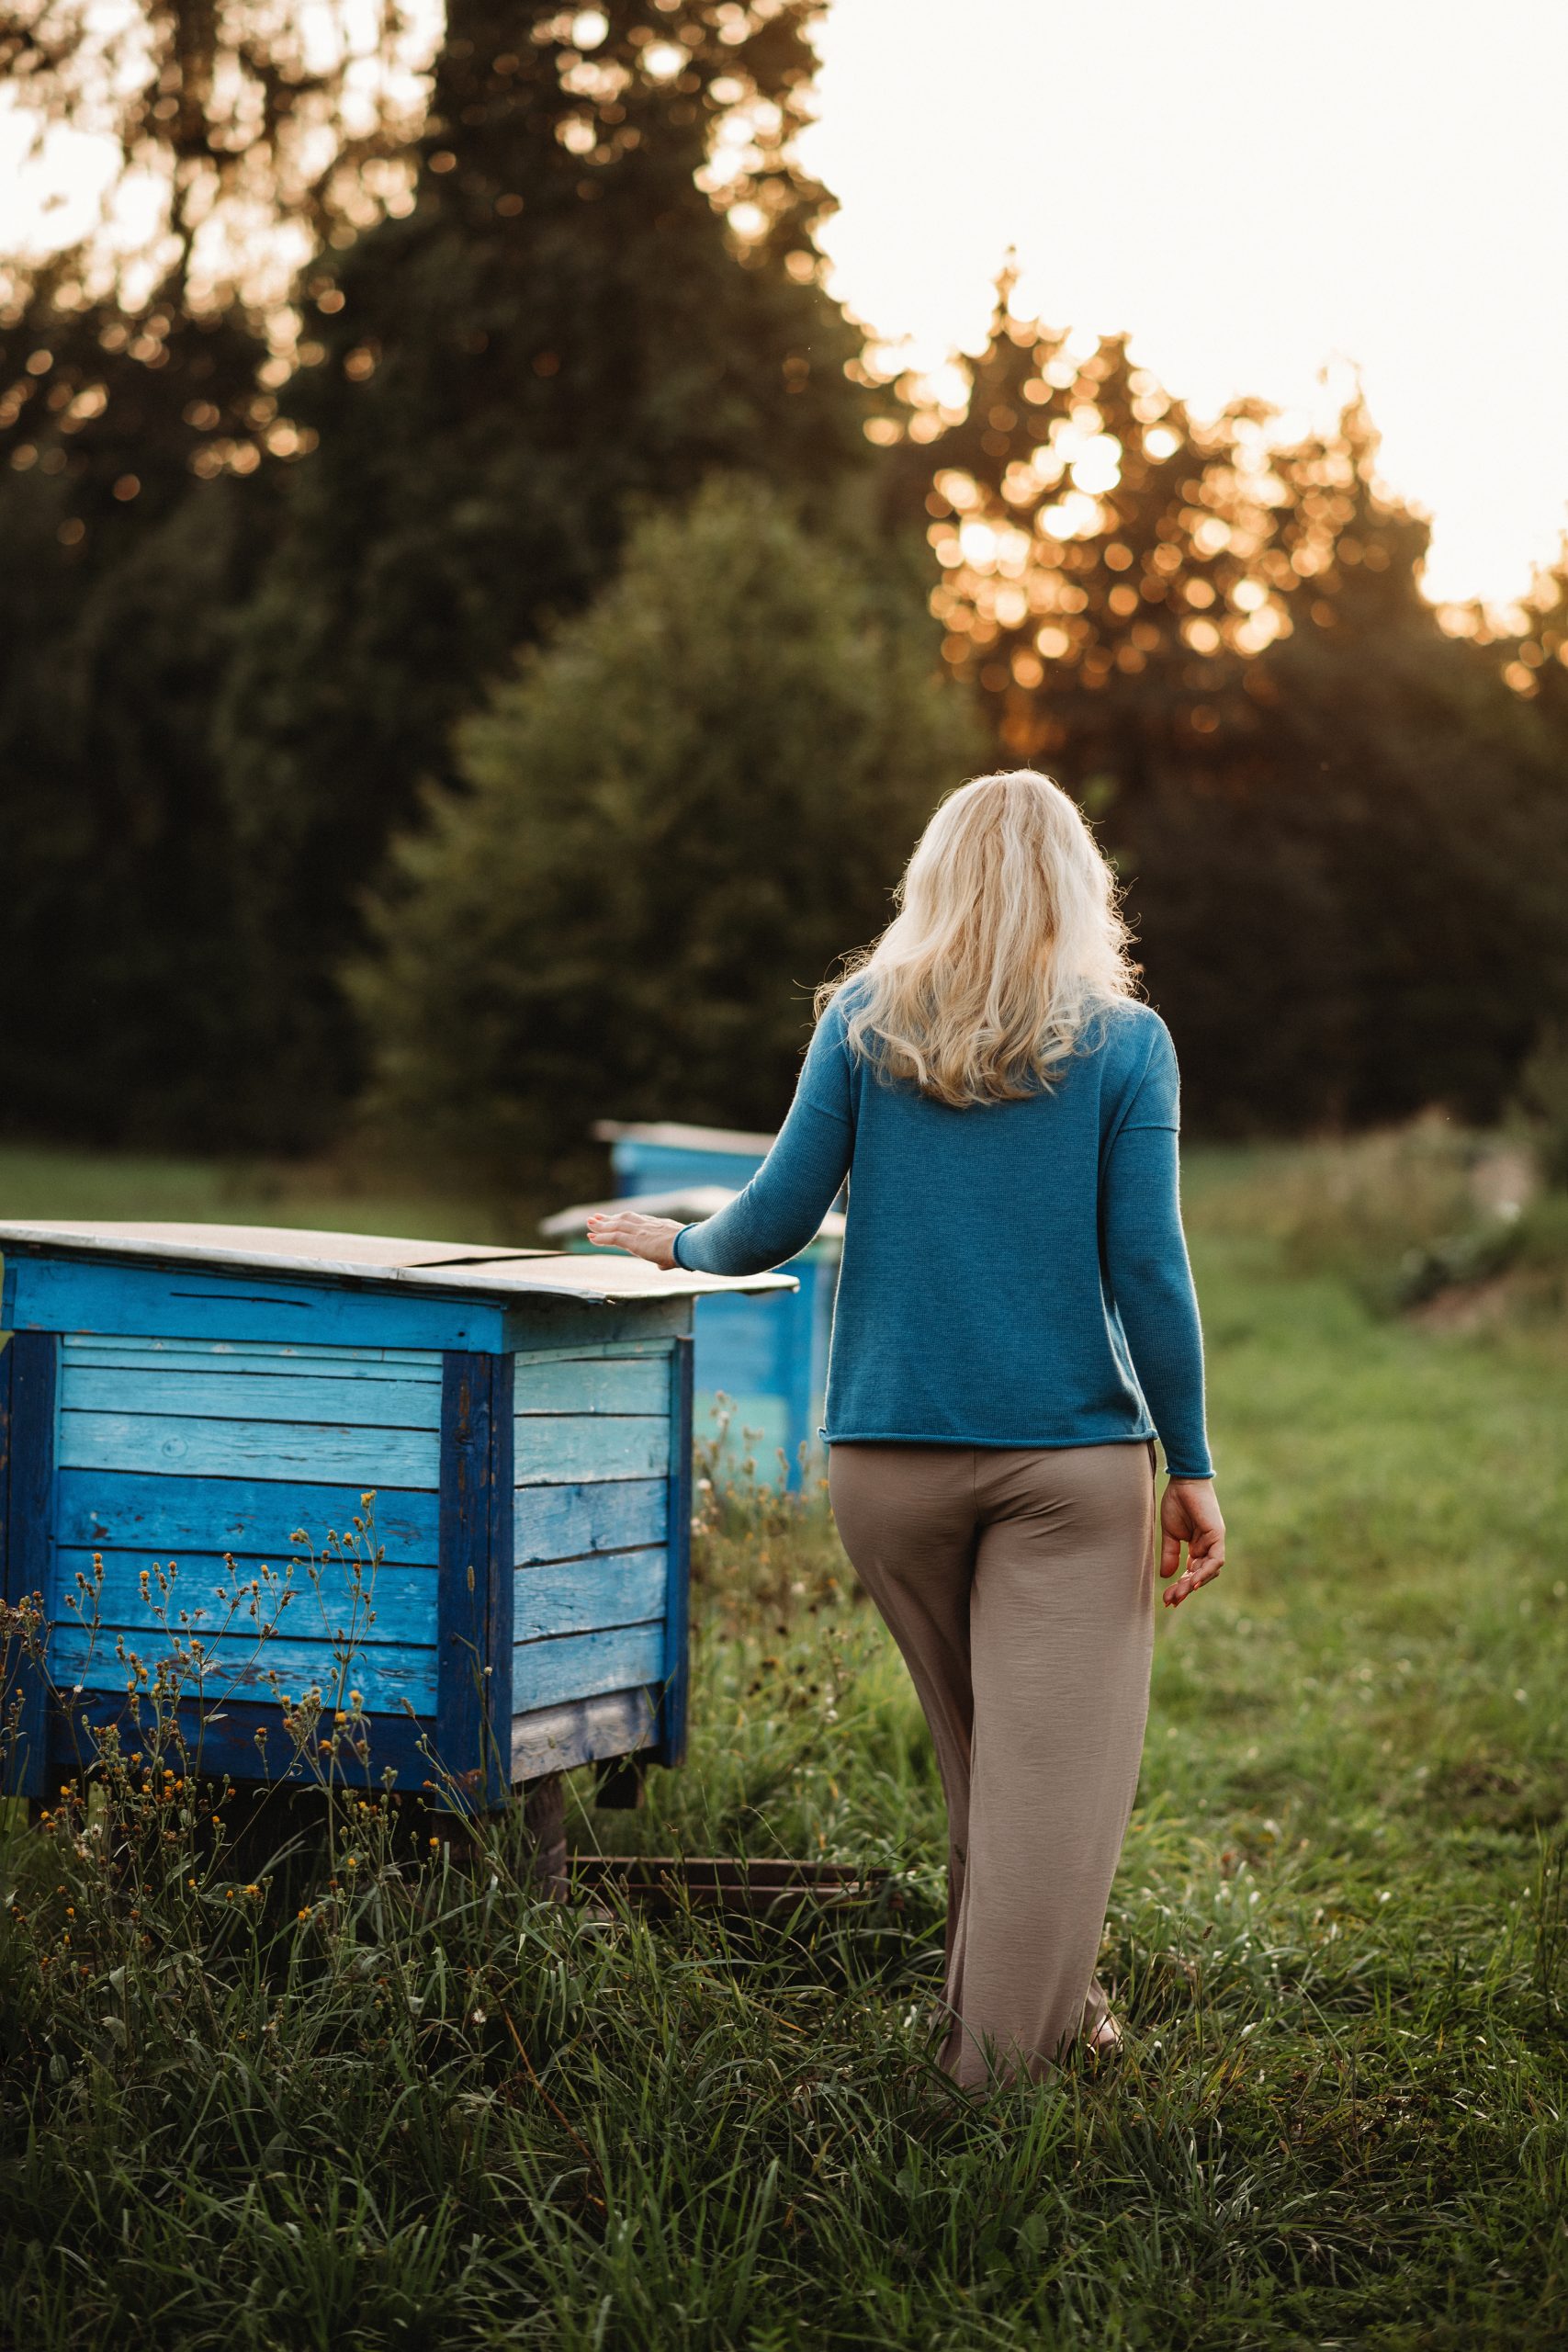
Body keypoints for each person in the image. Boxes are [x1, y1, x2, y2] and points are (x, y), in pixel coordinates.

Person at [586, 768, 1224, 2089]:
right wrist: (1196, 1465)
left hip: (884, 1467)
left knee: (991, 1759)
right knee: (1053, 1783)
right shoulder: (1125, 1043)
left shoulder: (867, 1025)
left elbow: (767, 1222)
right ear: (1077, 886)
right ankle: (987, 2092)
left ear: (931, 882)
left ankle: (1046, 2006)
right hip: (1066, 1464)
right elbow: (1150, 1272)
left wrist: (673, 1245)